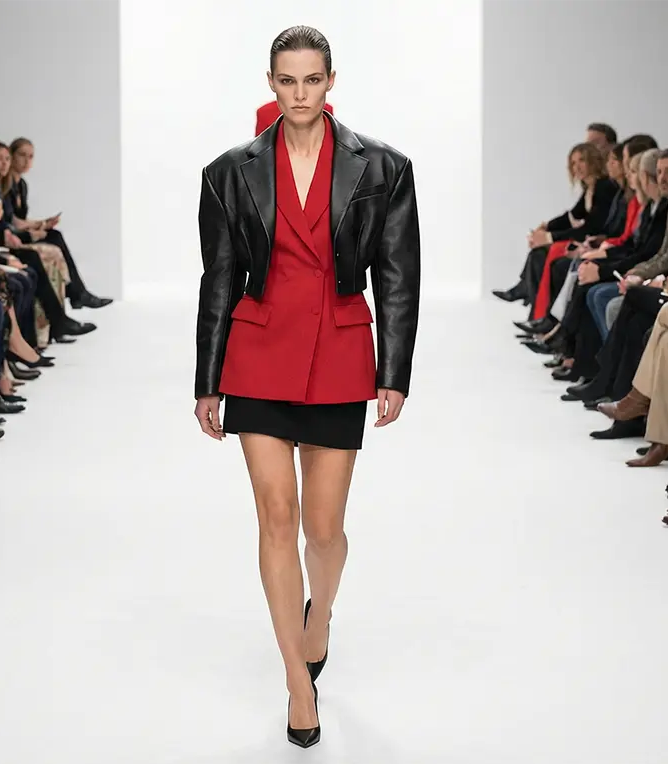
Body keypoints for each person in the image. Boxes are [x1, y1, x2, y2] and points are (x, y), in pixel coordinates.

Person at [193, 26, 419, 748]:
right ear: (271, 82)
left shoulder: (382, 166)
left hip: (340, 352)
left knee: (323, 530)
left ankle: (319, 615)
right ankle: (298, 683)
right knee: (276, 515)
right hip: (258, 352)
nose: (299, 93)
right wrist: (206, 381)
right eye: (287, 81)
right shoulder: (229, 172)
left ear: (331, 81)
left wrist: (394, 373)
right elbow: (219, 278)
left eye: (312, 80)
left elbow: (398, 273)